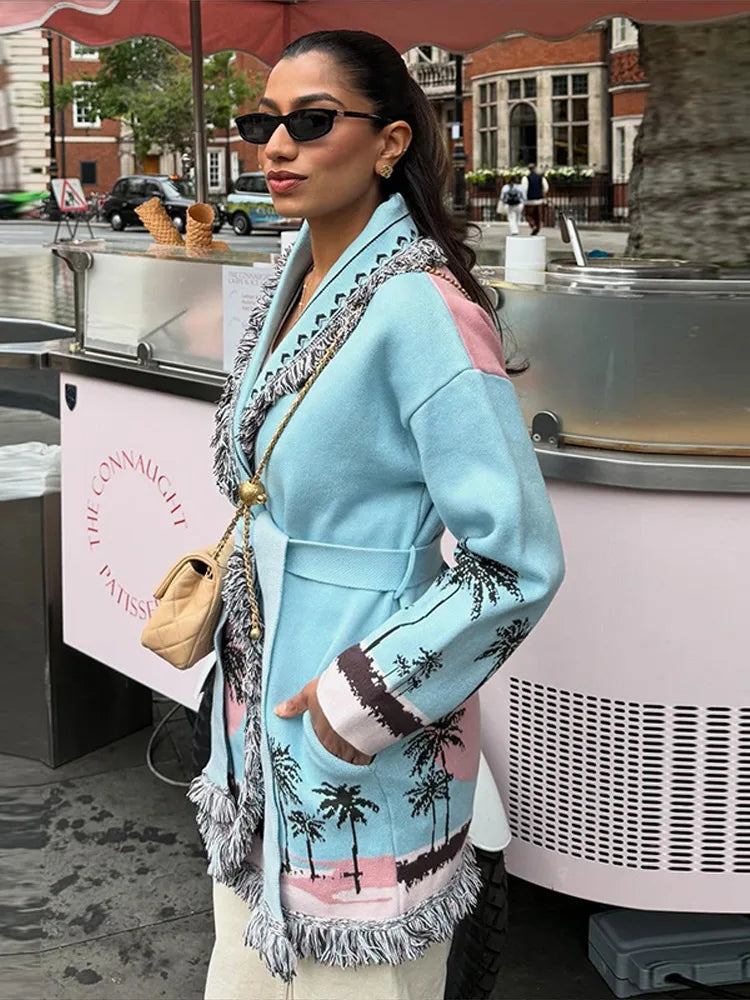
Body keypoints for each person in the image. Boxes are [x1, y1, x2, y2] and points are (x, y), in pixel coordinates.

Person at [192, 29, 564, 1000]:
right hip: (251, 747)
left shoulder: (424, 310)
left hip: (358, 752)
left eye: (310, 122)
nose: (275, 147)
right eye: (259, 123)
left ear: (390, 142)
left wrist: (351, 705)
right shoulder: (294, 276)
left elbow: (515, 559)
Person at [522, 163, 549, 236]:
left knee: (528, 215)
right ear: (535, 168)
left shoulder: (526, 178)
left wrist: (524, 198)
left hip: (529, 201)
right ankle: (537, 227)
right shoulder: (541, 178)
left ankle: (533, 225)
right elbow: (546, 187)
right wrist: (541, 193)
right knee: (538, 216)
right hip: (539, 200)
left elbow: (524, 189)